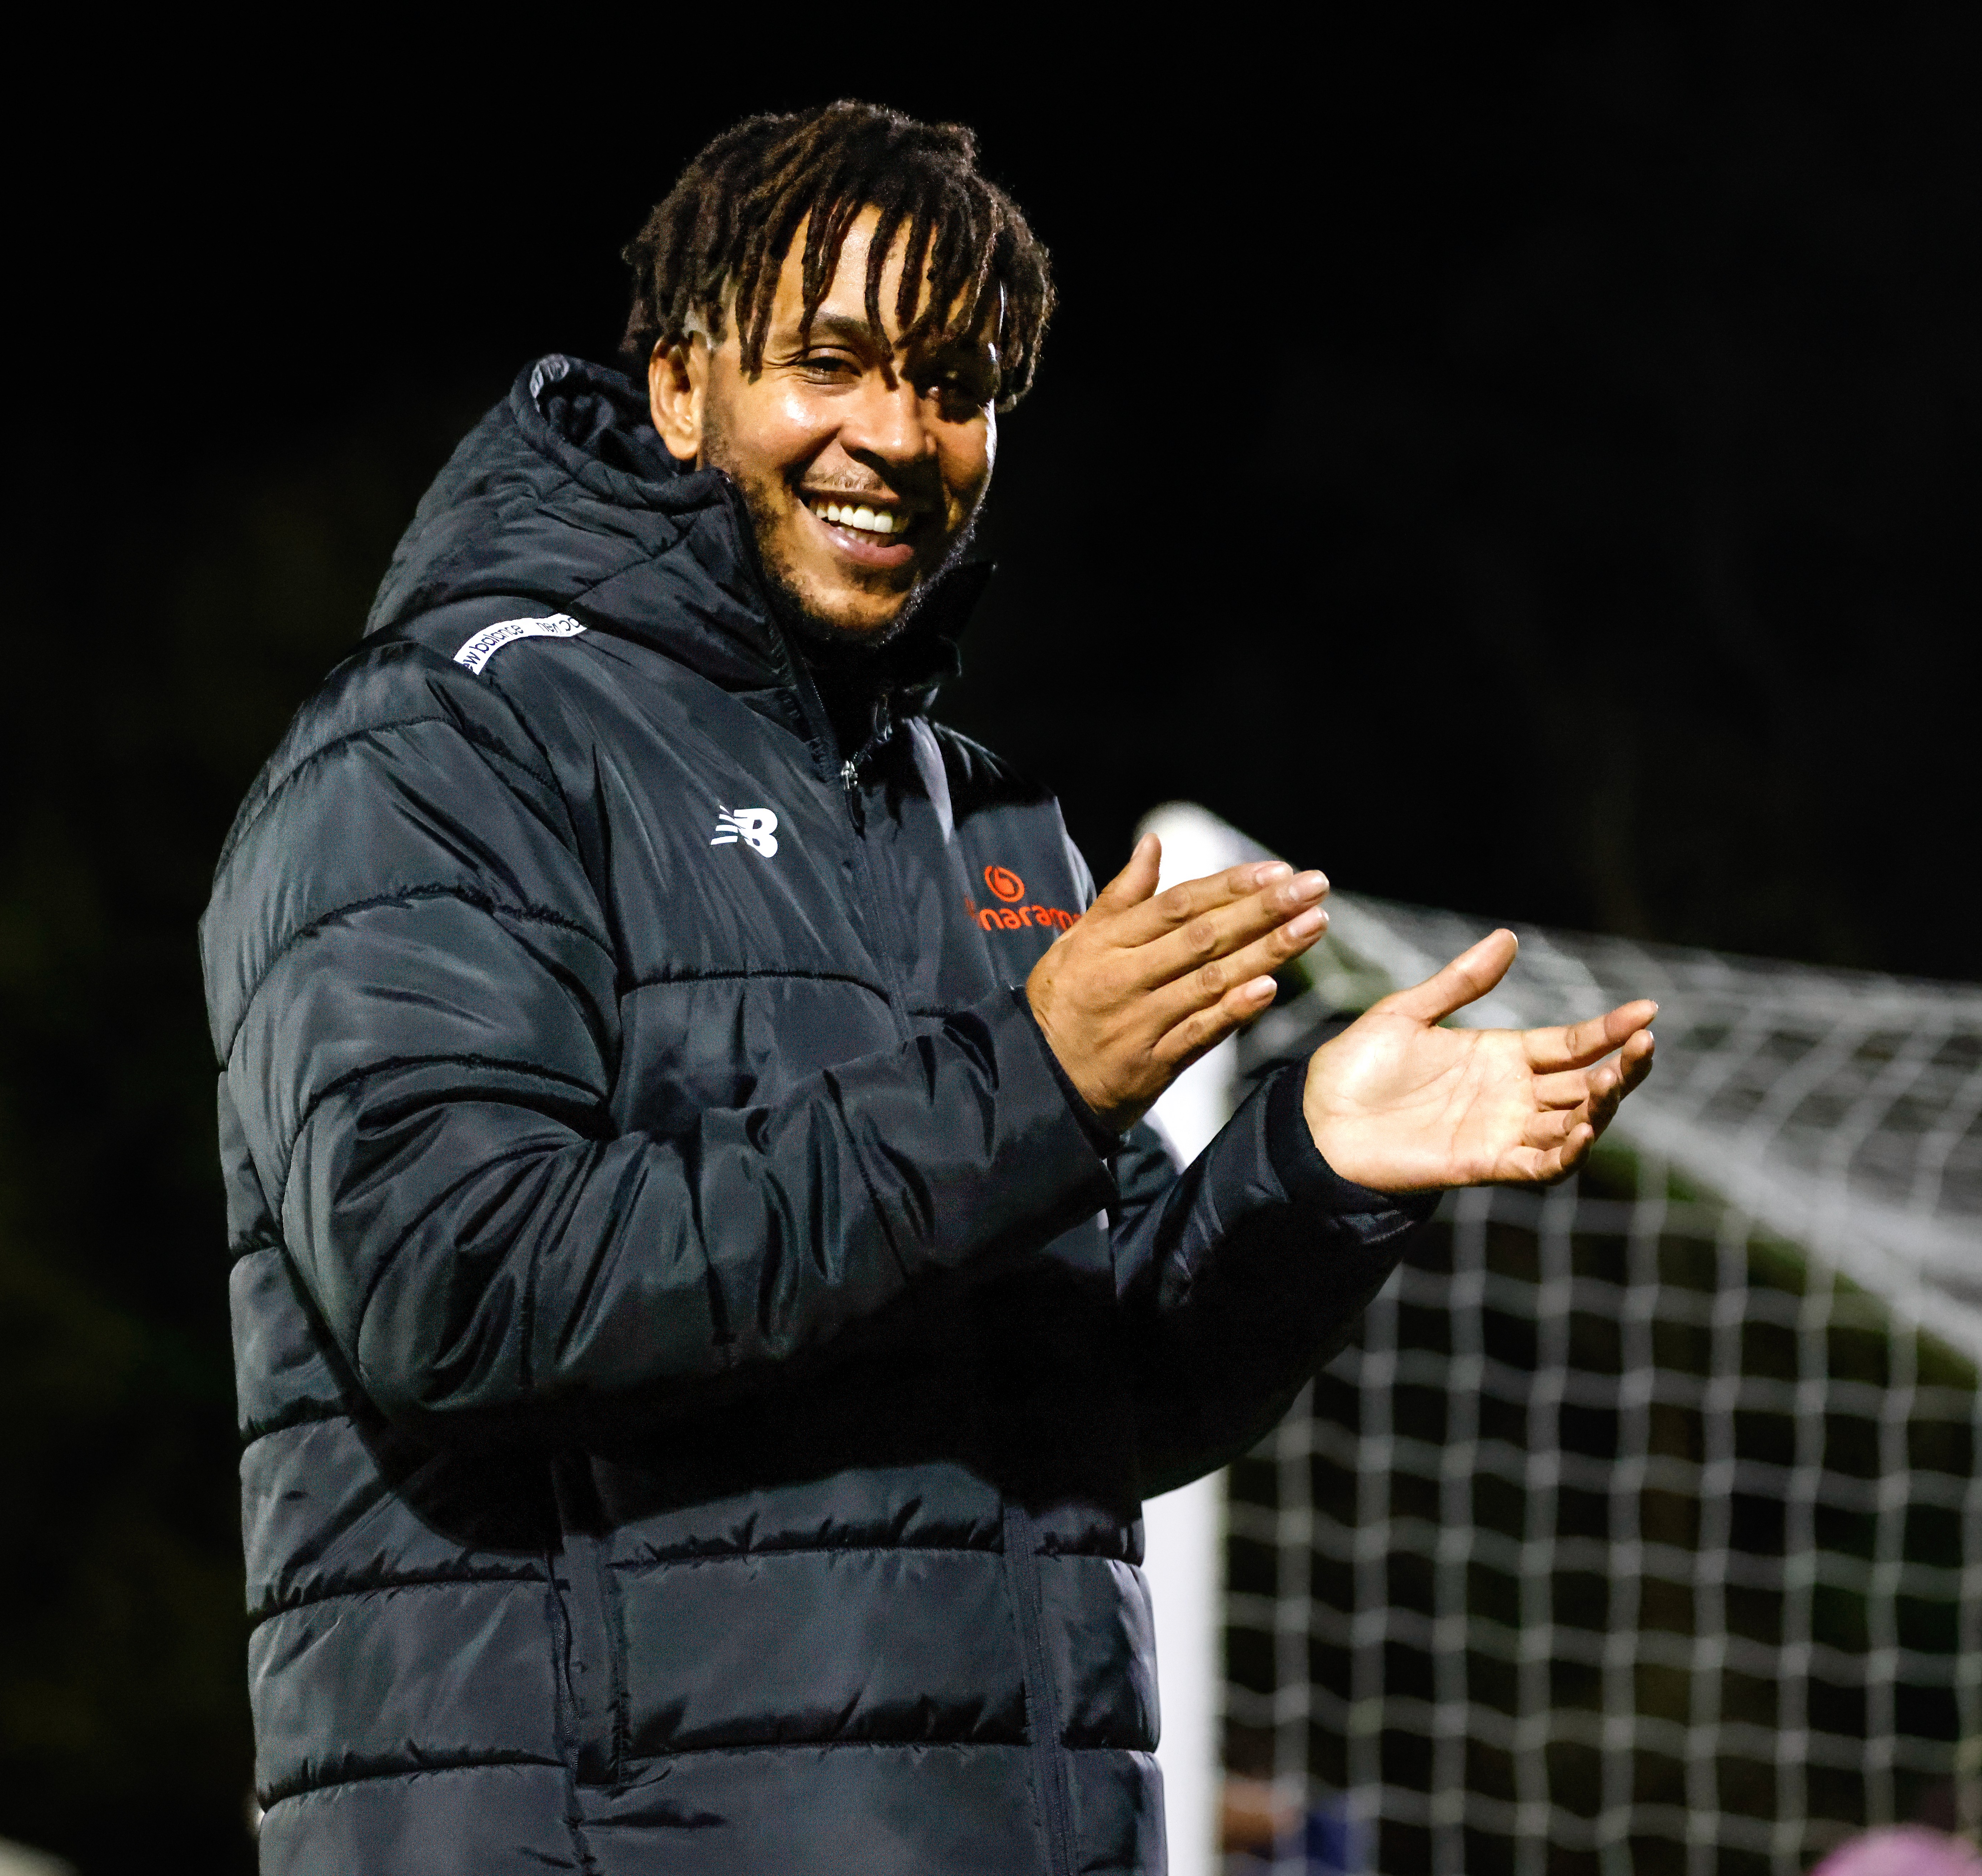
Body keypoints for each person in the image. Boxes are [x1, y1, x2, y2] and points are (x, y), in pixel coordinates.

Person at [199, 101, 1656, 1875]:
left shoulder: (976, 819)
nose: (894, 433)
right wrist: (1028, 1085)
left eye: (955, 382)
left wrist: (1303, 1176)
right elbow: (458, 1282)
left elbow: (1096, 1407)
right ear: (678, 387)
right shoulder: (445, 740)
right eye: (830, 360)